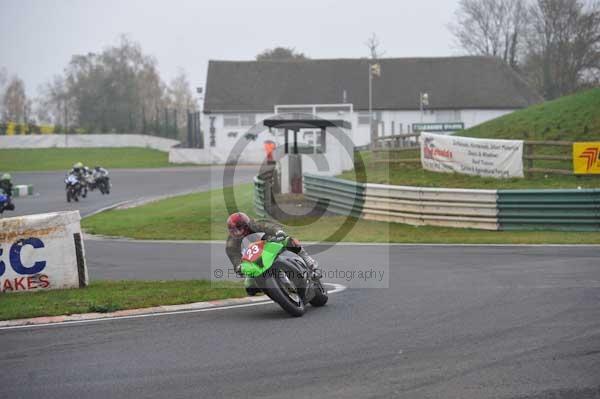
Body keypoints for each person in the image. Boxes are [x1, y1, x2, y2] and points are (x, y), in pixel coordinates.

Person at [226, 212, 319, 294]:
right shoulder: (231, 243)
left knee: (289, 241)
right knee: (249, 287)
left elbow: (269, 226)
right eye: (233, 230)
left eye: (238, 228)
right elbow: (234, 258)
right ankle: (273, 291)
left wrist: (278, 233)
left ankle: (308, 261)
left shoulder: (255, 224)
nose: (237, 232)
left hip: (270, 245)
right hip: (255, 262)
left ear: (246, 225)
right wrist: (238, 267)